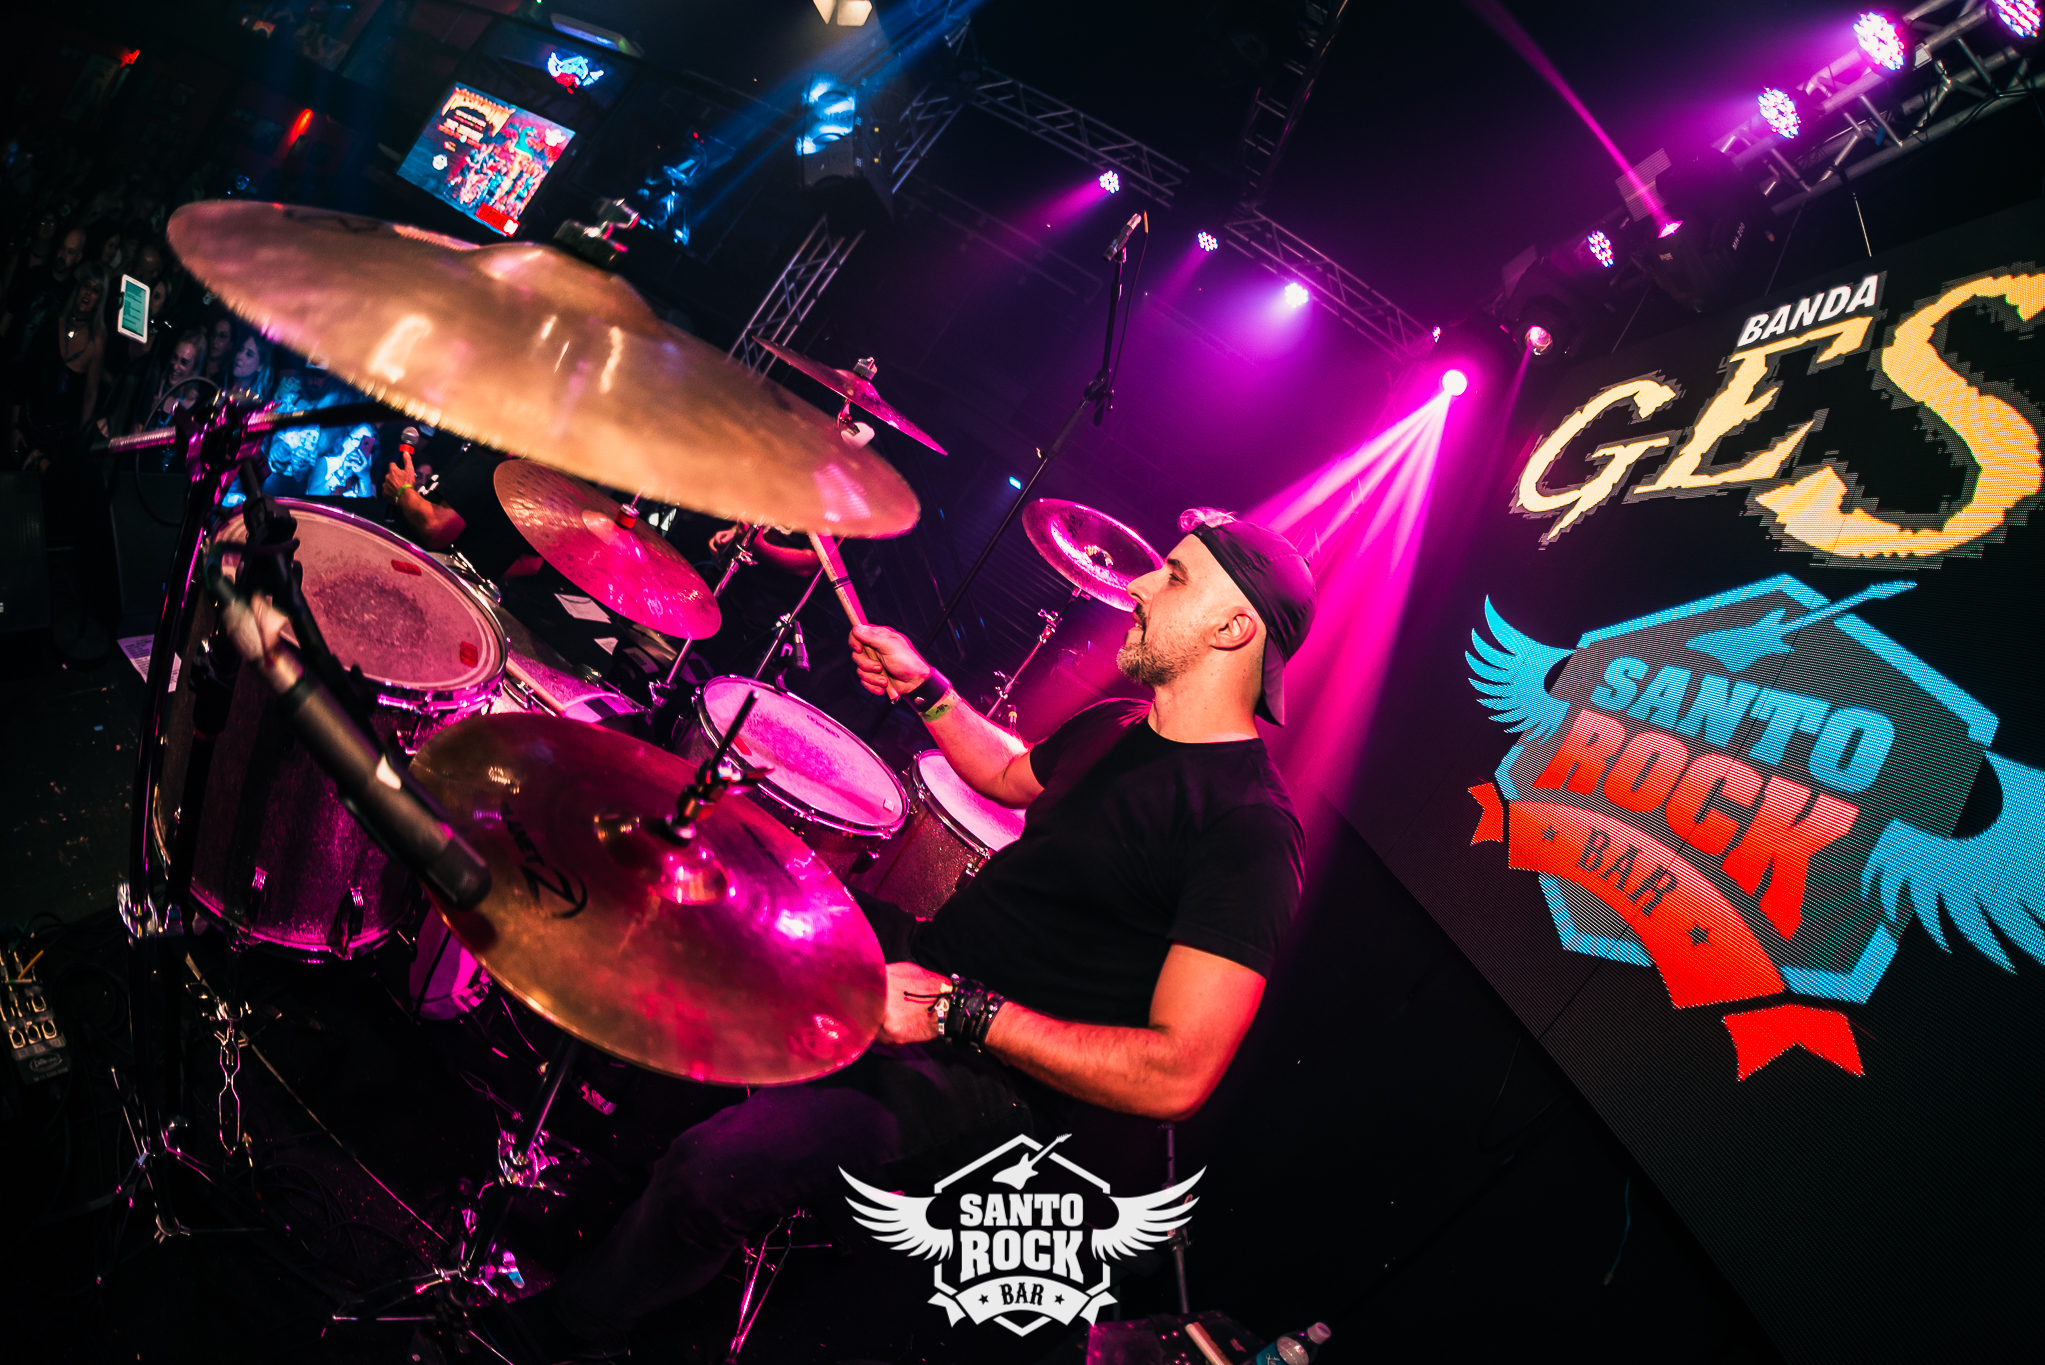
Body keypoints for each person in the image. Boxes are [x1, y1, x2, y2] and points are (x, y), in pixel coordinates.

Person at [509, 506, 1318, 1362]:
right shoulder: (1119, 722)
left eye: (1174, 576)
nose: (1141, 585)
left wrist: (958, 1011)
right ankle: (594, 1218)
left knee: (713, 1170)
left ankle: (565, 1333)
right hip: (930, 967)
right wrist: (927, 688)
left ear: (1234, 628)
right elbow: (1007, 774)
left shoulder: (1247, 829)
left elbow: (1176, 1072)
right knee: (717, 886)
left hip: (995, 1086)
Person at [381, 437, 543, 582]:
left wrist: (401, 491)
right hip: (438, 581)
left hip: (410, 572)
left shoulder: (492, 451)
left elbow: (435, 528)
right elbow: (531, 564)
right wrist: (473, 574)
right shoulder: (530, 471)